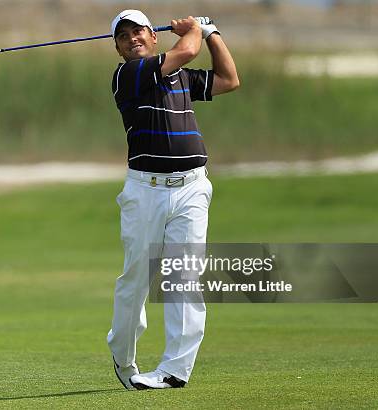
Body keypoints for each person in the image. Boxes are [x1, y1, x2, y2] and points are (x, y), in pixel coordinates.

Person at [107, 10, 239, 390]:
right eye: (124, 35)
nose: (132, 38)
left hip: (192, 188)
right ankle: (123, 354)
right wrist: (197, 30)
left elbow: (230, 80)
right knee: (137, 279)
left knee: (184, 277)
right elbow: (185, 52)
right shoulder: (127, 76)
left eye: (138, 31)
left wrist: (213, 33)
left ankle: (174, 371)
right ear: (118, 48)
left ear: (153, 35)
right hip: (145, 190)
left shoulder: (180, 76)